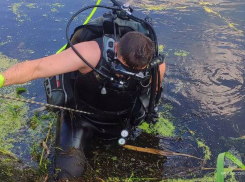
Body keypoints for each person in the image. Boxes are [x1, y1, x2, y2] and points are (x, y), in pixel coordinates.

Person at [0, 13, 166, 181]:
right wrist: (2, 79)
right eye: (121, 69)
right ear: (115, 48)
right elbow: (36, 68)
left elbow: (152, 97)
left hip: (121, 122)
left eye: (134, 73)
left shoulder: (156, 67)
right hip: (80, 118)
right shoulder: (90, 53)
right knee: (65, 176)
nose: (123, 78)